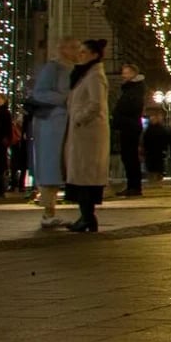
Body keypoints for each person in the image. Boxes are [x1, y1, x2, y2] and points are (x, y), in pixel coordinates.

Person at [27, 39, 78, 228]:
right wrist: (67, 99)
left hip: (65, 121)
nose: (76, 51)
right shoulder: (53, 68)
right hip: (52, 122)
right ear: (63, 49)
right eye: (73, 47)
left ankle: (51, 209)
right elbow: (40, 93)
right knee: (51, 163)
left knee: (59, 164)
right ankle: (48, 210)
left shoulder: (72, 68)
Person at [63, 39, 111, 233]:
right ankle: (85, 216)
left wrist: (78, 119)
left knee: (86, 176)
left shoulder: (94, 76)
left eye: (84, 52)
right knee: (81, 175)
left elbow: (95, 103)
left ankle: (88, 217)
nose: (79, 55)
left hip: (88, 133)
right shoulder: (85, 74)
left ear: (94, 54)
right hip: (82, 133)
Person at [112, 63, 147, 196]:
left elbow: (131, 106)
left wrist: (119, 115)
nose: (123, 75)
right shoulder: (131, 88)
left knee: (130, 157)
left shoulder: (134, 89)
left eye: (126, 72)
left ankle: (134, 186)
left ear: (133, 73)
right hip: (128, 124)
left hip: (129, 125)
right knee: (128, 157)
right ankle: (132, 185)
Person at [143, 112, 169, 183]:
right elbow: (165, 139)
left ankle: (154, 177)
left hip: (153, 151)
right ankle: (157, 177)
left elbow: (145, 140)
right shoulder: (161, 129)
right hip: (156, 150)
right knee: (157, 165)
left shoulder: (149, 130)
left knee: (154, 165)